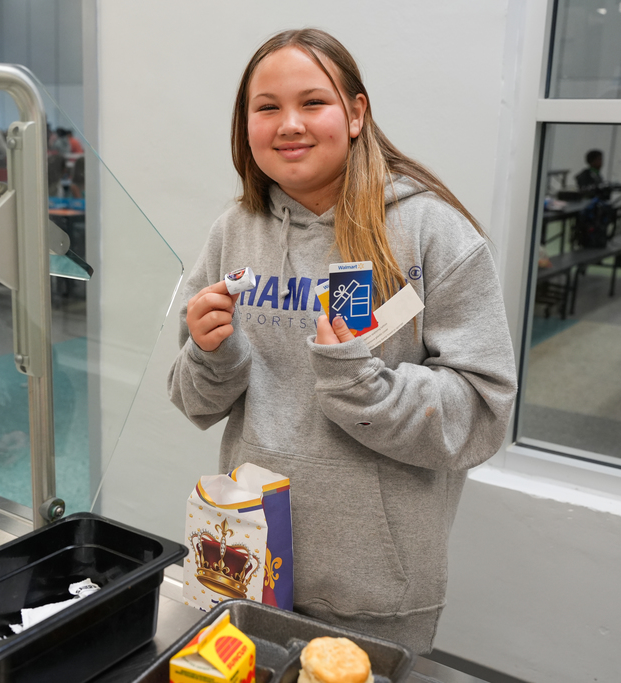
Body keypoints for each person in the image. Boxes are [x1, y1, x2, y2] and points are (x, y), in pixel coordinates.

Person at [166, 29, 517, 654]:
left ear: (356, 114)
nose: (289, 124)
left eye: (313, 102)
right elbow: (194, 401)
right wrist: (211, 354)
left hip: (376, 588)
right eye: (267, 107)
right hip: (243, 563)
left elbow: (482, 417)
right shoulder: (234, 230)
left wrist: (359, 381)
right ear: (245, 124)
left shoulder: (431, 232)